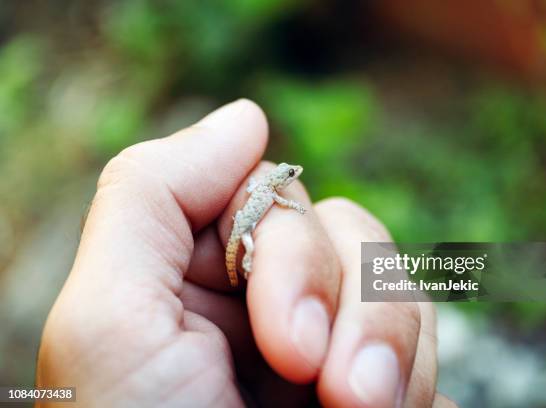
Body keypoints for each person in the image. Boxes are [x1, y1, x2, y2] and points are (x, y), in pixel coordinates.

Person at [35, 100, 456, 407]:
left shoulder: (269, 187)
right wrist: (247, 259)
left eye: (291, 174)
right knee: (258, 250)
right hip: (244, 236)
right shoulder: (272, 190)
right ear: (282, 178)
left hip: (246, 235)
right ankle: (249, 270)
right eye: (290, 174)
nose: (293, 177)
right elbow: (269, 213)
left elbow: (275, 202)